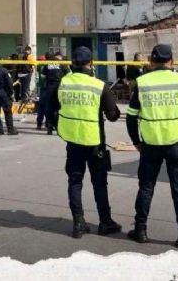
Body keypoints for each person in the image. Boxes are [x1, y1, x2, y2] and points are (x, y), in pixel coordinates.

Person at [125, 44, 178, 248]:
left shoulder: (142, 82)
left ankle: (141, 230)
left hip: (150, 145)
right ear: (171, 62)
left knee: (146, 187)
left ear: (151, 62)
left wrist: (136, 141)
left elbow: (130, 117)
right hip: (176, 145)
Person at [52, 46, 122, 238]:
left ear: (71, 64)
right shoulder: (99, 85)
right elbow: (113, 115)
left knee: (75, 181)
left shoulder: (63, 83)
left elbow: (51, 106)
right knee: (99, 183)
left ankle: (78, 223)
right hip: (94, 142)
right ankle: (105, 222)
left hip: (72, 140)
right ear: (90, 63)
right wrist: (115, 111)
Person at [42, 52, 70, 135]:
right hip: (59, 87)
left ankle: (49, 128)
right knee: (58, 108)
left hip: (49, 87)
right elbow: (68, 74)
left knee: (49, 107)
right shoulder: (61, 63)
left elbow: (43, 76)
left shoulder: (48, 63)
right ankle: (58, 128)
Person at [35, 54, 49, 130]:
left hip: (43, 88)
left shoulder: (39, 66)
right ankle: (47, 124)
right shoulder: (48, 65)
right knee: (48, 107)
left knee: (41, 107)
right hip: (48, 88)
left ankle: (39, 124)